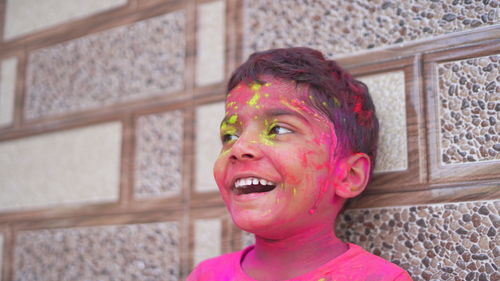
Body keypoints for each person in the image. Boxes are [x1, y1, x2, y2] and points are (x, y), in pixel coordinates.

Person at [187, 47, 413, 281]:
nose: (240, 148)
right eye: (230, 136)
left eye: (278, 129)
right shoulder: (206, 276)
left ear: (348, 175)